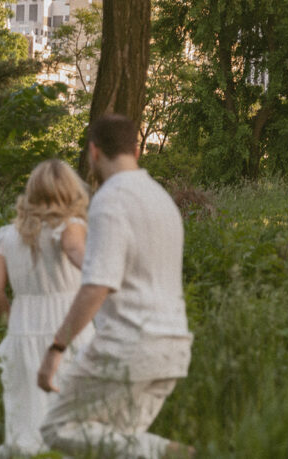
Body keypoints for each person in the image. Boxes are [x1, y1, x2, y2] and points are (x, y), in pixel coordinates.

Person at [38, 113, 193, 458]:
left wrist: (56, 349)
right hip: (173, 348)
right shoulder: (161, 199)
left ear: (94, 152)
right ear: (136, 151)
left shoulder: (110, 200)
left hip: (130, 345)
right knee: (117, 445)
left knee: (56, 428)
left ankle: (186, 454)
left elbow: (97, 286)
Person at [0, 159, 95, 458]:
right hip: (69, 330)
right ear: (69, 191)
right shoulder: (71, 227)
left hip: (22, 333)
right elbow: (77, 254)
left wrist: (14, 323)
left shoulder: (9, 235)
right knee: (74, 422)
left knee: (25, 424)